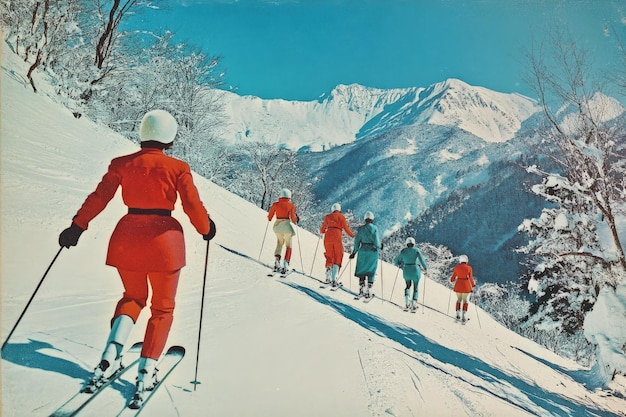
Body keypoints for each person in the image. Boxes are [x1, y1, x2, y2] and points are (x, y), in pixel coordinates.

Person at [58, 109, 216, 405]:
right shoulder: (178, 167)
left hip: (126, 238)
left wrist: (77, 227)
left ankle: (110, 355)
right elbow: (192, 205)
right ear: (169, 138)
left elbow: (99, 197)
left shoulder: (122, 164)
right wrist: (206, 229)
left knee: (132, 297)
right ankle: (147, 371)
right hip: (165, 243)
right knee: (162, 308)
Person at [319, 203, 355, 286]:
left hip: (328, 238)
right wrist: (353, 235)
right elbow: (346, 228)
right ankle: (334, 278)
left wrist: (323, 231)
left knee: (329, 255)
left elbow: (322, 229)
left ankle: (327, 275)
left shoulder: (327, 217)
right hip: (337, 237)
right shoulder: (341, 217)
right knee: (338, 256)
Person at [349, 211, 382, 298]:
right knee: (371, 270)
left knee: (362, 270)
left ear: (365, 219)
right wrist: (380, 246)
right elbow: (377, 242)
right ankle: (369, 290)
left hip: (362, 251)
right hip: (372, 251)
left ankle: (361, 289)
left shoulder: (360, 229)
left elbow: (356, 242)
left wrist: (354, 253)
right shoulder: (374, 228)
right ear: (372, 219)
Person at [267, 188, 299, 274]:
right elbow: (293, 218)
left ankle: (277, 261)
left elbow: (270, 216)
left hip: (277, 227)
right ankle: (286, 263)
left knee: (279, 243)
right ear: (289, 197)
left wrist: (270, 218)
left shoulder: (275, 204)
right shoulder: (291, 206)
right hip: (286, 227)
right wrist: (296, 220)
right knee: (289, 245)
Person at [393, 237, 428, 311]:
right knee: (415, 287)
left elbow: (396, 260)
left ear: (407, 243)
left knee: (408, 285)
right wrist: (425, 268)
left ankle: (407, 302)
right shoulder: (416, 250)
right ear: (413, 243)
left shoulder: (403, 251)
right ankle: (414, 304)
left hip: (406, 270)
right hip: (415, 270)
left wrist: (398, 263)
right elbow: (421, 260)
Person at [450, 254, 475, 323]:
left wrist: (452, 280)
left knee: (459, 300)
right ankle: (464, 316)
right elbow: (470, 278)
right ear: (466, 260)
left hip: (458, 285)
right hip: (466, 286)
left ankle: (457, 314)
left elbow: (452, 278)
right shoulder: (469, 268)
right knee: (465, 301)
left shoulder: (456, 267)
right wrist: (473, 285)